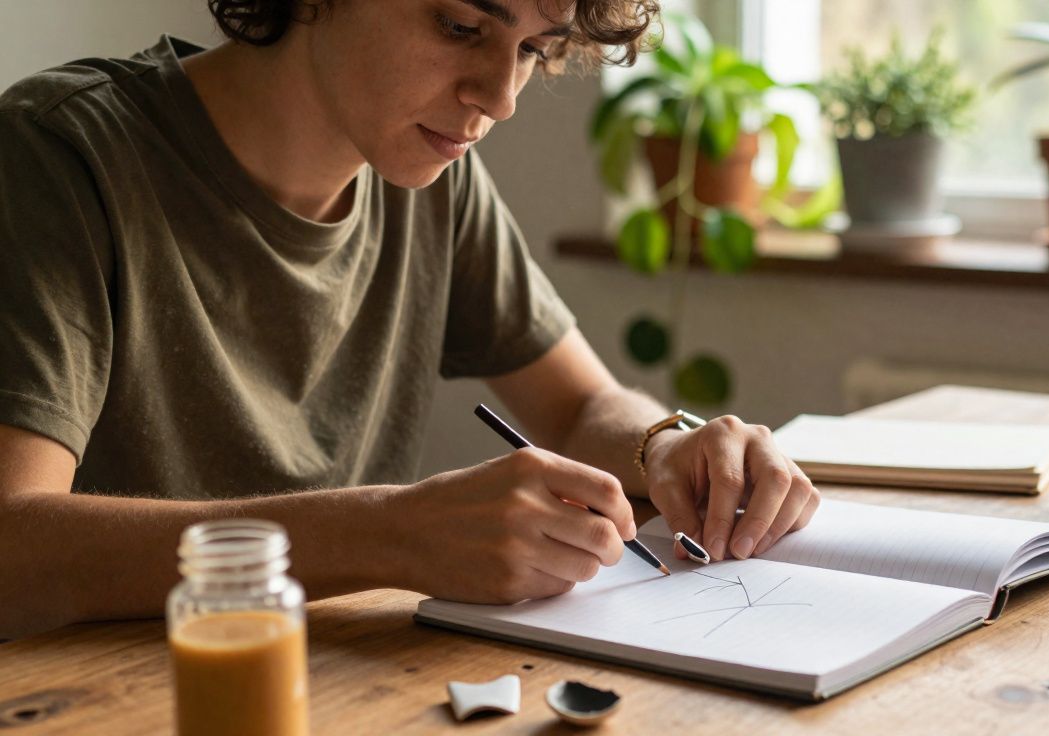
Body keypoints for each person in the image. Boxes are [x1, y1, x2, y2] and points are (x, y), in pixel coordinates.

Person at [0, 0, 819, 640]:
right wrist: (390, 533)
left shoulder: (430, 175)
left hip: (341, 684)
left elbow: (577, 406)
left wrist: (664, 444)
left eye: (532, 50)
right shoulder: (61, 152)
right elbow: (12, 547)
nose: (500, 98)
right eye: (460, 26)